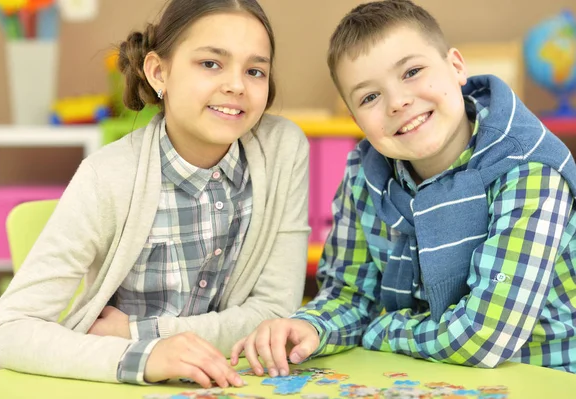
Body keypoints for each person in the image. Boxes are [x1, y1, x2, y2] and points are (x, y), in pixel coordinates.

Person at [232, 0, 576, 377]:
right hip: (428, 374)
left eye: (412, 71)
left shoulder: (529, 168)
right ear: (356, 119)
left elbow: (484, 335)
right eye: (370, 97)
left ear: (456, 67)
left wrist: (383, 328)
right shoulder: (366, 175)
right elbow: (350, 295)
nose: (398, 103)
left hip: (545, 376)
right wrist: (310, 326)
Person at [0, 0, 310, 387]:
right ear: (159, 72)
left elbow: (274, 312)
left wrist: (141, 333)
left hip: (234, 382)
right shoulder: (108, 176)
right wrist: (142, 357)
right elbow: (5, 332)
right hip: (119, 385)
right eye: (211, 63)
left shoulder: (282, 149)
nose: (237, 85)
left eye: (255, 71)